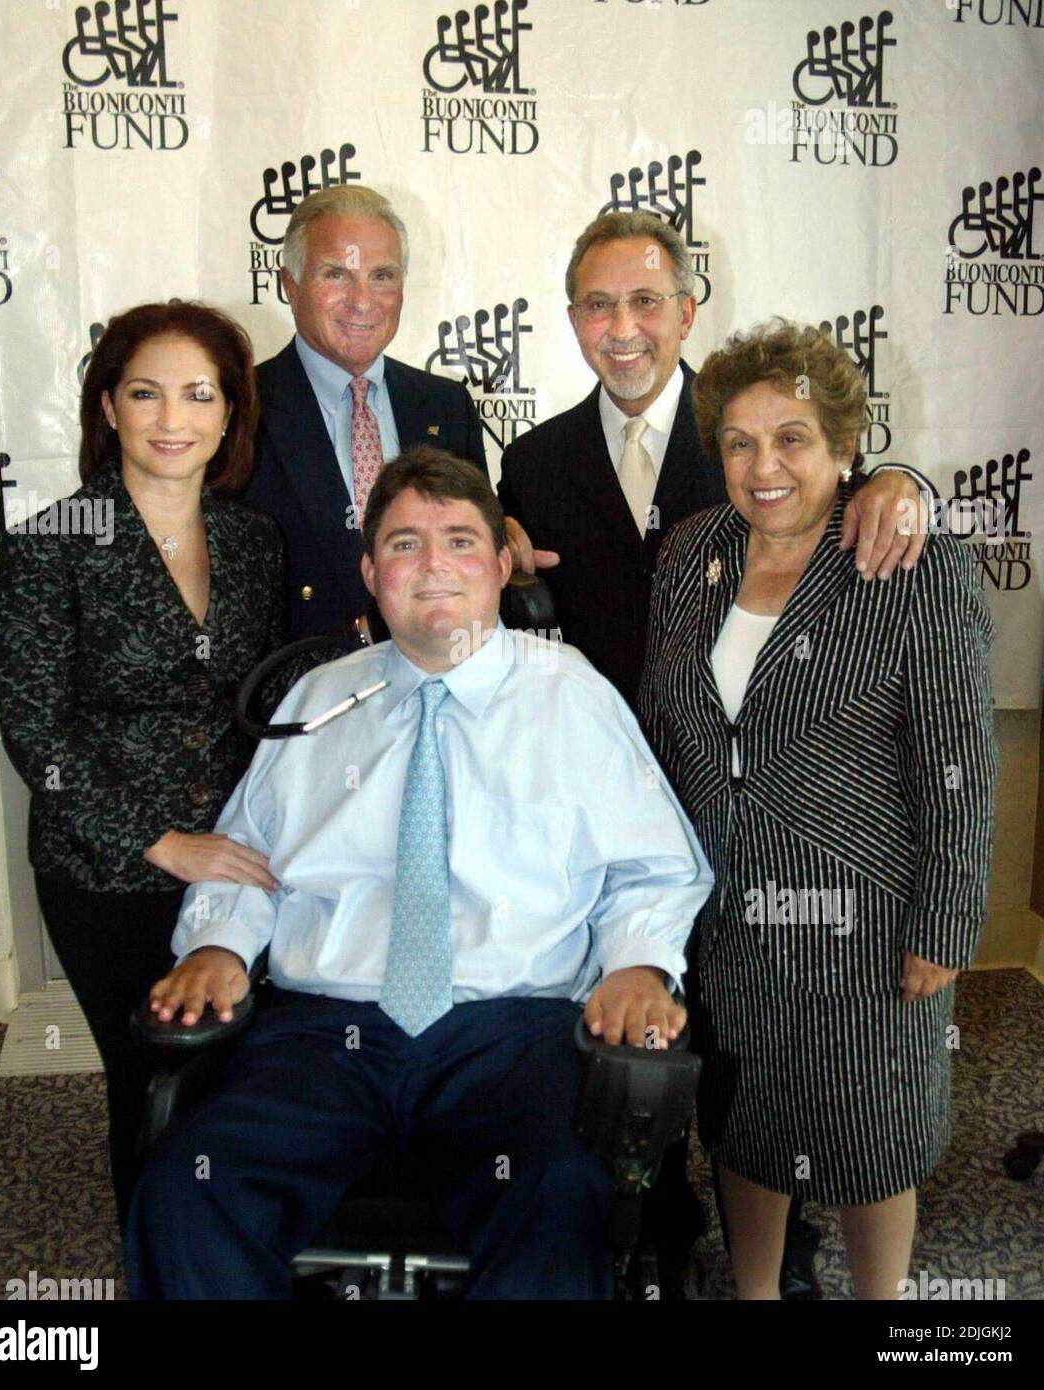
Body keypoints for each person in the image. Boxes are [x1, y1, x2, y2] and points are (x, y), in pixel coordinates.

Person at [123, 447, 713, 1300]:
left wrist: (635, 964)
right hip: (325, 1032)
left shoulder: (570, 697)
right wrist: (218, 944)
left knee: (553, 1189)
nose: (432, 565)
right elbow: (240, 855)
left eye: (460, 541)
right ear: (369, 571)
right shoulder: (317, 698)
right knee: (189, 1187)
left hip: (507, 1031)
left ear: (502, 564)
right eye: (403, 545)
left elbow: (654, 869)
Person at [638, 320, 997, 1300]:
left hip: (869, 925)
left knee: (868, 1142)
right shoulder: (689, 555)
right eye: (741, 442)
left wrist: (945, 923)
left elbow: (959, 764)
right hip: (725, 917)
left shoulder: (911, 564)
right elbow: (663, 733)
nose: (764, 467)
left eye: (791, 438)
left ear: (844, 447)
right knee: (747, 1124)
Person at [0, 301, 290, 1230]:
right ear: (109, 407)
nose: (173, 419)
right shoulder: (50, 546)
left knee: (243, 1068)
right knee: (156, 1066)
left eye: (199, 395)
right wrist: (163, 843)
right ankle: (156, 1254)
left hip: (241, 857)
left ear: (230, 414)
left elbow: (265, 703)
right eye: (146, 393)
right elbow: (37, 732)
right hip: (107, 869)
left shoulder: (252, 541)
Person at [498, 211, 929, 705]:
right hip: (591, 759)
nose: (621, 328)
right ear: (574, 321)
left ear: (686, 313)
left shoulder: (749, 429)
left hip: (735, 760)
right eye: (599, 305)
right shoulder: (532, 463)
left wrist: (902, 481)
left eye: (645, 301)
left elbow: (861, 496)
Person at [245, 184, 488, 641]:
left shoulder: (446, 406)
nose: (362, 301)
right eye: (336, 274)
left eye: (382, 276)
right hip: (297, 696)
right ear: (289, 286)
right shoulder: (240, 409)